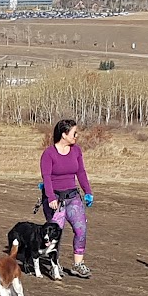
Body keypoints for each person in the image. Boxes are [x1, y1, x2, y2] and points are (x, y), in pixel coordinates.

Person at [40, 119, 94, 279]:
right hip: (55, 199)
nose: (76, 136)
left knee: (81, 230)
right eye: (74, 133)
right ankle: (54, 265)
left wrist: (88, 191)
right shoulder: (48, 154)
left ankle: (78, 264)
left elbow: (81, 172)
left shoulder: (76, 151)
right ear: (64, 134)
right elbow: (46, 177)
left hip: (73, 197)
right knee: (55, 234)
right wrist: (50, 197)